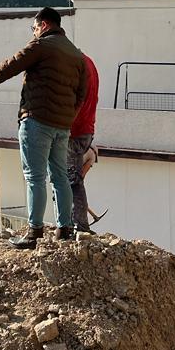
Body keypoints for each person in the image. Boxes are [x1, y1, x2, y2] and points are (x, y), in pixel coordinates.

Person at [0, 7, 86, 250]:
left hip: (37, 121)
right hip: (62, 126)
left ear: (44, 25)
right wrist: (67, 118)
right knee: (60, 177)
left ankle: (35, 232)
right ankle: (64, 229)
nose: (33, 32)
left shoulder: (42, 45)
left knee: (35, 177)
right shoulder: (77, 55)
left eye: (34, 28)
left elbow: (12, 64)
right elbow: (81, 94)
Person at [68, 53, 99, 235]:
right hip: (86, 131)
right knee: (74, 180)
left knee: (70, 182)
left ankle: (77, 226)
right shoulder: (90, 63)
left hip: (73, 131)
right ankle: (77, 225)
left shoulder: (72, 65)